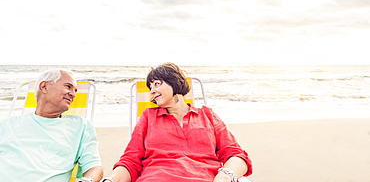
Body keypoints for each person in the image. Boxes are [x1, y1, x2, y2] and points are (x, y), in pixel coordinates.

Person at [101, 62, 252, 182]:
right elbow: (131, 161)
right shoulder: (148, 117)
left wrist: (225, 176)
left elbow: (236, 155)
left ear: (174, 81)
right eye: (150, 87)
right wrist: (111, 180)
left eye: (157, 83)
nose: (152, 91)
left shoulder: (207, 115)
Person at [0, 69, 103, 182]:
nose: (73, 94)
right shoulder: (7, 124)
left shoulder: (80, 127)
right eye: (68, 87)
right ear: (44, 87)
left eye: (75, 91)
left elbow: (94, 167)